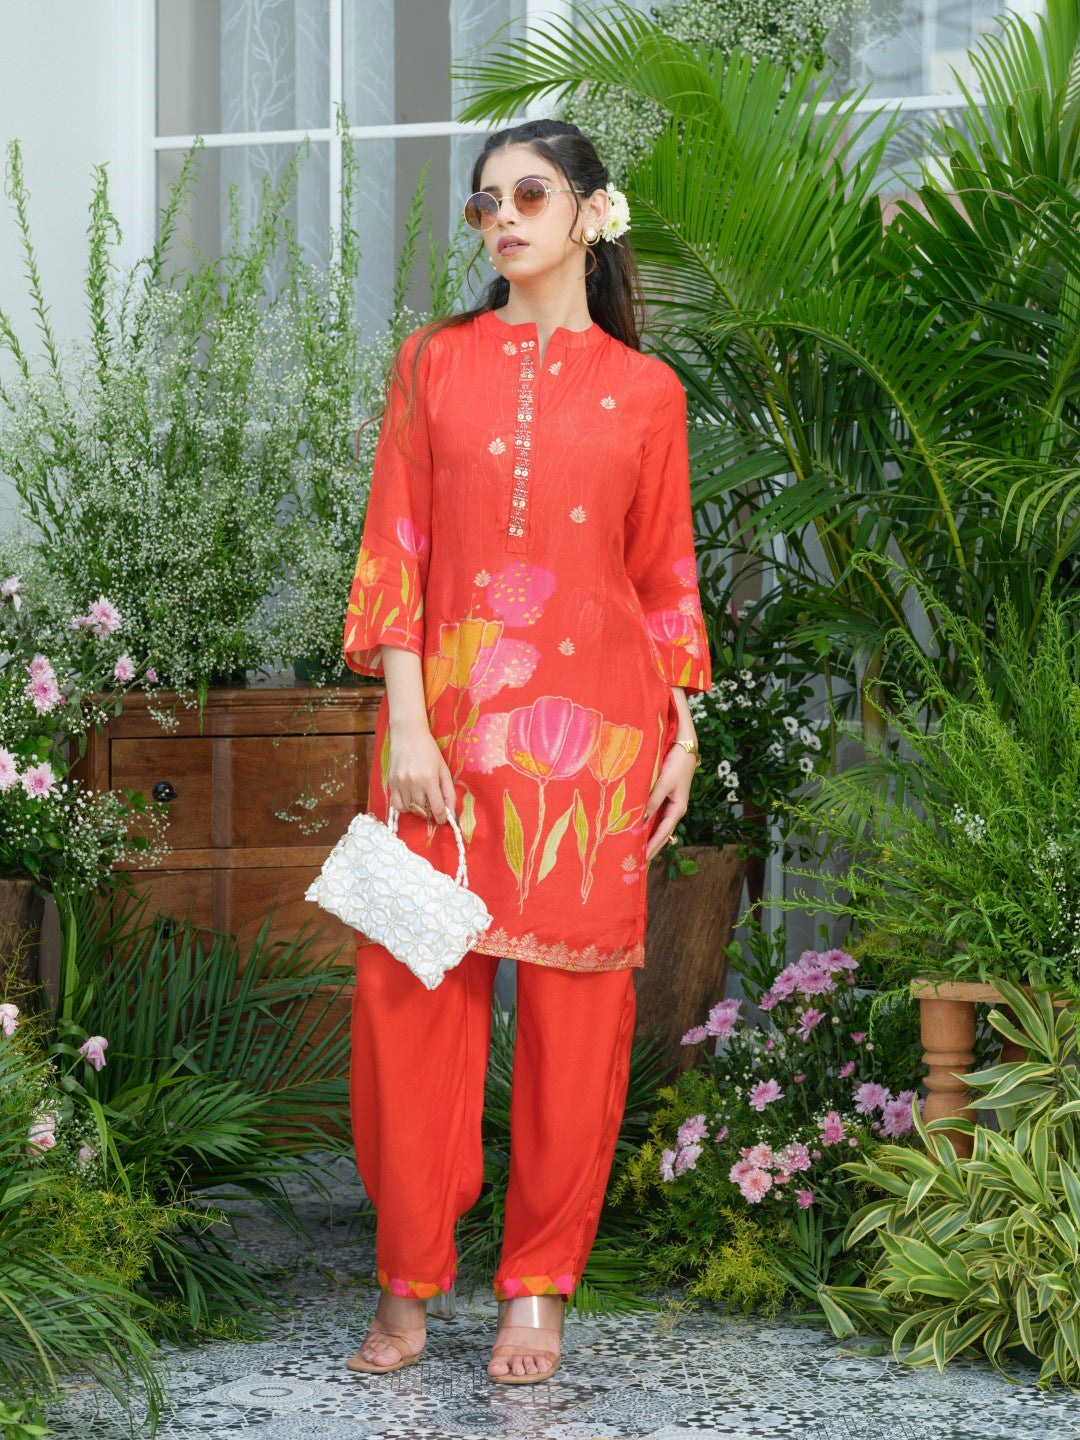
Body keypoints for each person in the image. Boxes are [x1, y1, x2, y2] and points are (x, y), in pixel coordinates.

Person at [343, 117, 712, 1385]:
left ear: (591, 214)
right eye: (485, 201)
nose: (502, 217)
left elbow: (663, 577)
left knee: (576, 1024)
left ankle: (540, 1289)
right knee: (405, 1011)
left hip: (595, 751)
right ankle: (406, 1280)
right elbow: (396, 545)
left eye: (532, 195)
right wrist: (405, 719)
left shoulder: (647, 393)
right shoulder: (432, 364)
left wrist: (683, 730)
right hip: (436, 742)